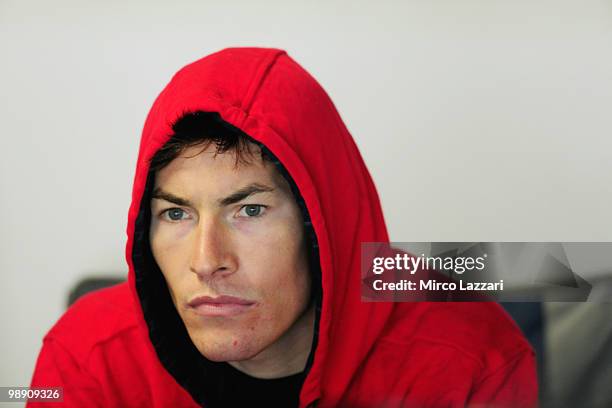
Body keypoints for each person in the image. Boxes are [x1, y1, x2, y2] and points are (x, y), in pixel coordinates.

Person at [28, 47, 538, 407]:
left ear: (322, 230)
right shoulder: (86, 354)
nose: (206, 260)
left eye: (248, 210)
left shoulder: (473, 353)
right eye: (177, 213)